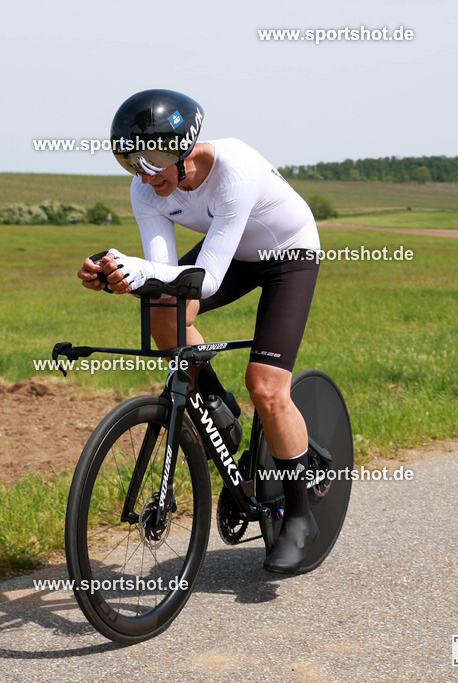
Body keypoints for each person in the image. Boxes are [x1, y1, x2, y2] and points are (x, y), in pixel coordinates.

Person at [77, 89, 322, 574]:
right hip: (232, 255)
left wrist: (139, 271)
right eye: (132, 162)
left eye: (154, 158)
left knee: (267, 388)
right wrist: (118, 274)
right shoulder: (146, 188)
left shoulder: (235, 169)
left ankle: (299, 515)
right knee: (162, 309)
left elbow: (205, 279)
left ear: (185, 144)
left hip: (286, 256)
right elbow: (163, 270)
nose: (147, 174)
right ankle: (215, 404)